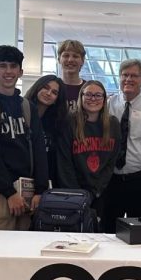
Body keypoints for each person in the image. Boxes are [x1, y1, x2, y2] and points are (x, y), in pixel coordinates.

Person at [0, 46, 49, 231]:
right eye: (2, 66)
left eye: (13, 66)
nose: (8, 71)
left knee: (22, 255)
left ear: (20, 72)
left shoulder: (27, 107)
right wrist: (9, 192)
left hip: (26, 192)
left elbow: (38, 149)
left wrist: (40, 189)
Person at [103, 58, 141, 231]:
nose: (128, 79)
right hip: (112, 180)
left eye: (134, 76)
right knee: (108, 232)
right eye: (125, 75)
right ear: (119, 78)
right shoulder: (110, 103)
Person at [58, 79, 121, 213]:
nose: (93, 98)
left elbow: (111, 162)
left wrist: (96, 191)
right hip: (72, 192)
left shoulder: (113, 124)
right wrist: (77, 194)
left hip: (99, 192)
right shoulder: (69, 122)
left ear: (104, 99)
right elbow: (64, 162)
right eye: (88, 94)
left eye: (98, 95)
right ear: (81, 97)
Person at [25, 75, 63, 186]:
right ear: (37, 87)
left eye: (54, 92)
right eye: (45, 87)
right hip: (21, 177)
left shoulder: (57, 123)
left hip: (45, 180)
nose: (48, 93)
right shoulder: (22, 112)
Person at [55, 39, 87, 119]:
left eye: (75, 56)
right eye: (66, 56)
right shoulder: (51, 87)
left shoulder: (87, 89)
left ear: (82, 61)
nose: (70, 60)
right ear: (59, 59)